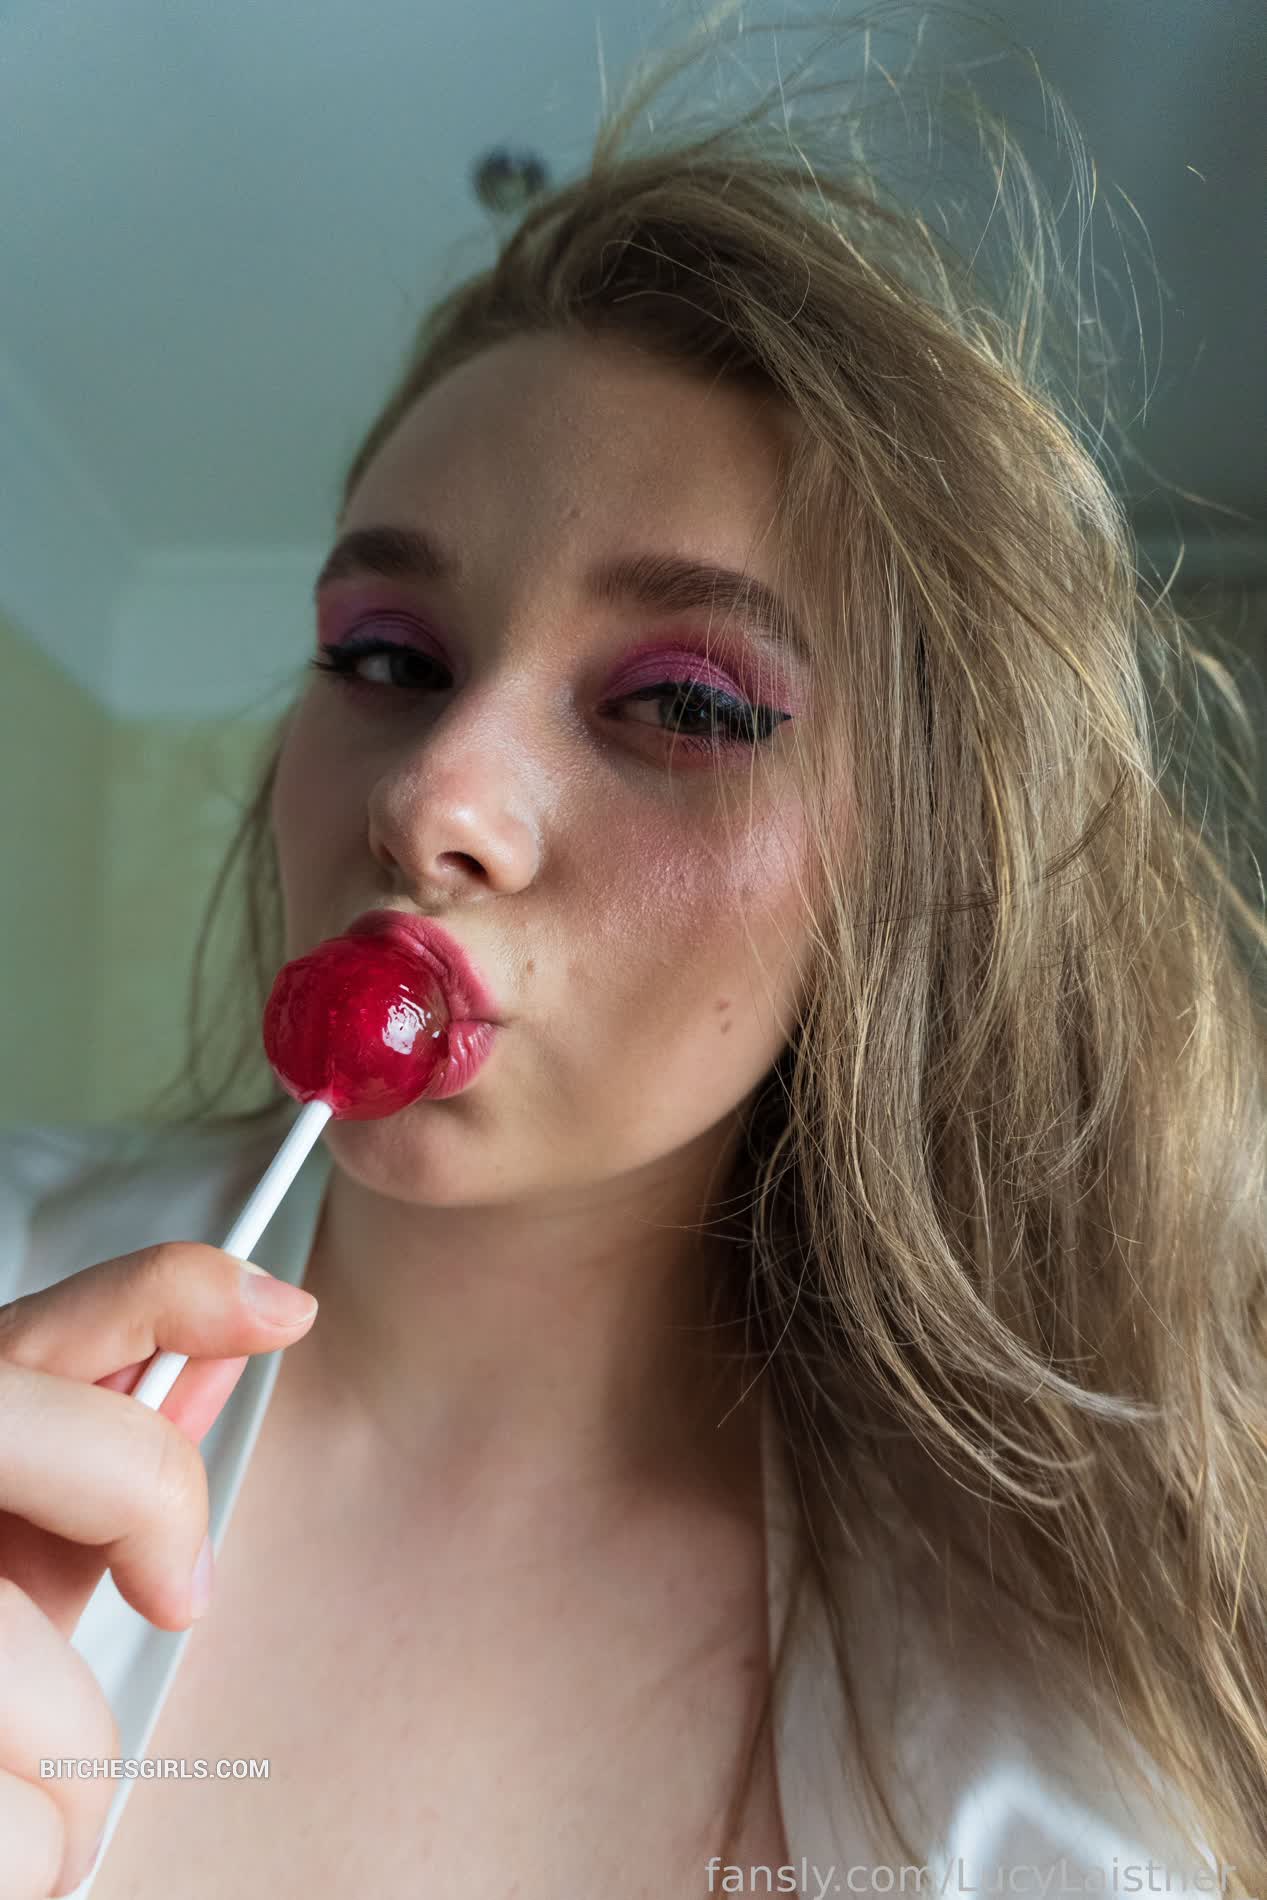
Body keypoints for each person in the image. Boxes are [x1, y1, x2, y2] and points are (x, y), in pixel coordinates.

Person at [2, 7, 1265, 1896]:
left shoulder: (1114, 1689)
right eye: (383, 657)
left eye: (684, 703)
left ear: (907, 873)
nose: (432, 792)